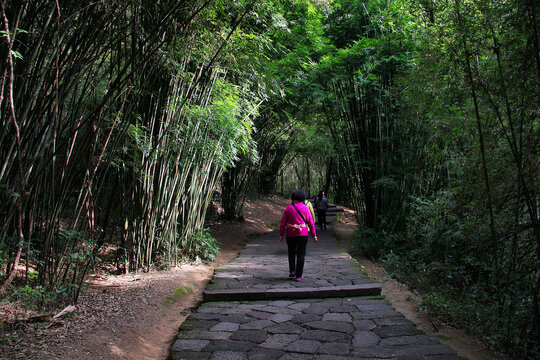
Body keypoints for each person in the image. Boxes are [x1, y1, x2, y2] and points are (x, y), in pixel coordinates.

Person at [279, 190, 317, 281]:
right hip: (303, 233)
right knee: (301, 254)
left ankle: (292, 271)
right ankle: (299, 275)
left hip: (290, 233)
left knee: (291, 253)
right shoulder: (305, 208)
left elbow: (282, 223)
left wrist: (281, 235)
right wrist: (314, 234)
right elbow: (310, 222)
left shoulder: (288, 208)